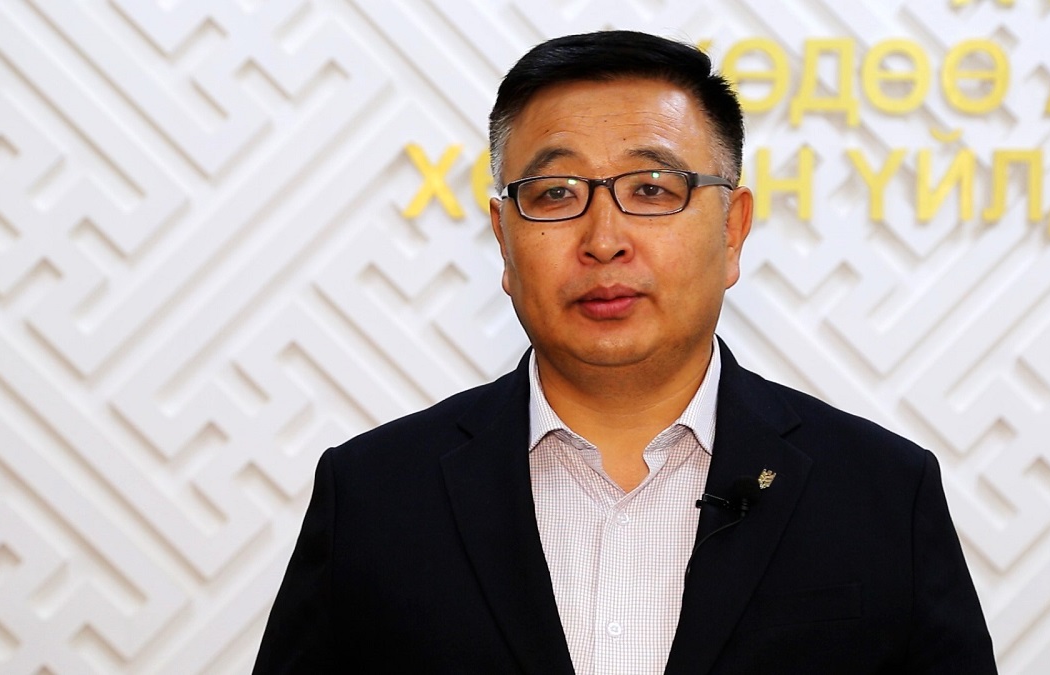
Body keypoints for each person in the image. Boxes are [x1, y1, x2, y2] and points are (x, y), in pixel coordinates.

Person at [253, 30, 997, 674]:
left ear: (732, 230)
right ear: (503, 239)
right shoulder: (374, 496)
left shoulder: (882, 492)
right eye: (554, 194)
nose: (604, 239)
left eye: (651, 189)